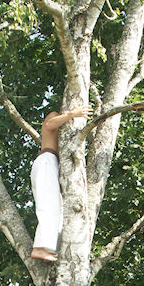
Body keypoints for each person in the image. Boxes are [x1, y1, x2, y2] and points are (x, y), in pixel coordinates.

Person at [31, 103, 93, 262]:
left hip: (50, 164)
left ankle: (48, 249)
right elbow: (49, 124)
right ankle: (39, 248)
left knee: (58, 208)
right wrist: (72, 113)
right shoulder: (54, 115)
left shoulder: (64, 127)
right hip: (46, 161)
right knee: (49, 206)